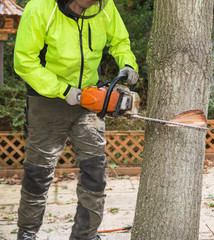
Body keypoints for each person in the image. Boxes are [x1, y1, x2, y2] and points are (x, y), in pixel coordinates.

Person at [13, 0, 138, 239]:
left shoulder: (104, 7)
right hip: (47, 99)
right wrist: (64, 90)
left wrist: (128, 63)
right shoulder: (40, 8)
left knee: (95, 169)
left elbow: (120, 40)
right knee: (38, 171)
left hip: (90, 99)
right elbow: (25, 61)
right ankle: (27, 231)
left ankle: (86, 234)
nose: (94, 3)